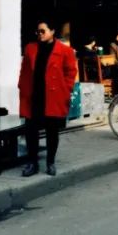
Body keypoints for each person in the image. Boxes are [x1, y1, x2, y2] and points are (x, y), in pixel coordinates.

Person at [18, 19, 78, 177]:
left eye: (42, 31)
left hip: (54, 96)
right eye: (37, 31)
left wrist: (66, 90)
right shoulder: (31, 48)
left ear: (52, 31)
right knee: (31, 131)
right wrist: (22, 87)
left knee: (52, 131)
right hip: (34, 96)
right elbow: (24, 70)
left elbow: (71, 72)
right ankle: (33, 163)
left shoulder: (65, 51)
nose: (39, 34)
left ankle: (50, 162)